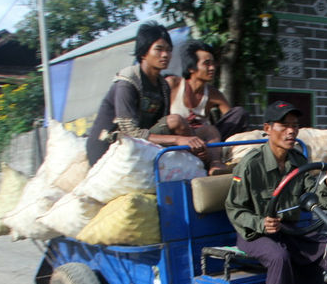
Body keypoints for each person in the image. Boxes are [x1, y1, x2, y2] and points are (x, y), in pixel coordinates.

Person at [224, 101, 327, 284]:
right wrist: (260, 222)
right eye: (284, 126)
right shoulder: (250, 164)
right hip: (253, 235)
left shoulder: (298, 160)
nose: (291, 131)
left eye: (295, 126)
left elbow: (313, 198)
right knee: (279, 257)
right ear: (268, 128)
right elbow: (234, 209)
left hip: (287, 232)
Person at [85, 23, 227, 174]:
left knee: (209, 130)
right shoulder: (127, 82)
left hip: (145, 142)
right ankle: (201, 163)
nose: (165, 55)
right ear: (144, 53)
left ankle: (213, 164)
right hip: (112, 145)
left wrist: (191, 138)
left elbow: (161, 125)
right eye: (159, 49)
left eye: (168, 50)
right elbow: (129, 132)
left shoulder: (162, 86)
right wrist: (178, 140)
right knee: (176, 120)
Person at [167, 40, 251, 142]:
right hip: (176, 138)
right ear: (191, 68)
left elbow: (232, 119)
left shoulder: (213, 94)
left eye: (213, 64)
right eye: (207, 64)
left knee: (240, 113)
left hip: (205, 139)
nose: (212, 68)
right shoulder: (173, 84)